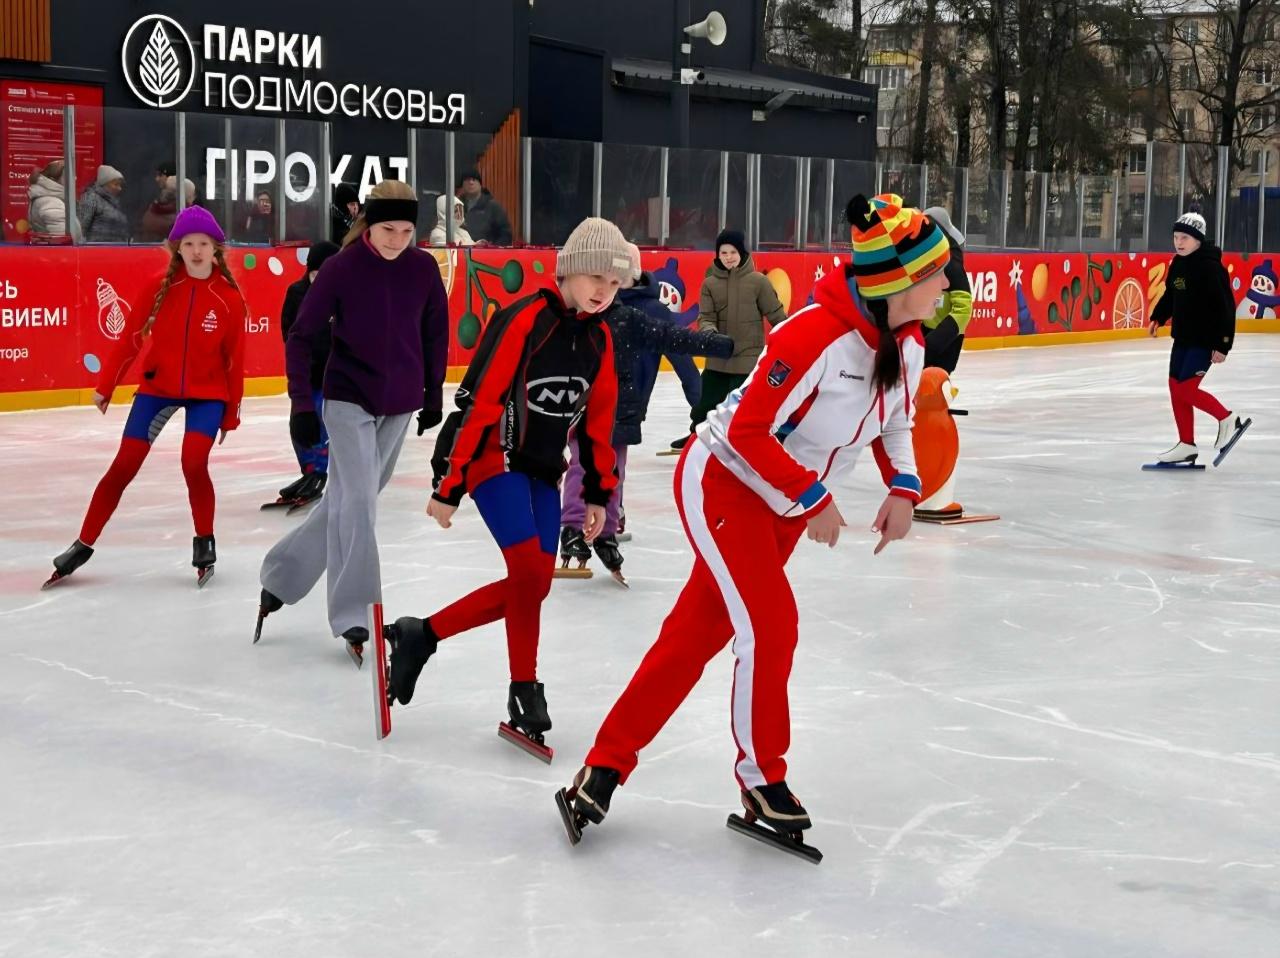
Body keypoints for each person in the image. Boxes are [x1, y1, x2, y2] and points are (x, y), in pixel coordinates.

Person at [556, 193, 949, 850]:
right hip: (725, 481)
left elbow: (896, 419)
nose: (946, 283)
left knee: (693, 637)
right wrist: (813, 499)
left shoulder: (905, 345)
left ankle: (602, 766)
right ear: (899, 283)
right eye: (936, 273)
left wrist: (903, 486)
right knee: (771, 627)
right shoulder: (814, 336)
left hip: (784, 505)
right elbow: (749, 430)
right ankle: (762, 777)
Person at [382, 217, 629, 756]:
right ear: (567, 272)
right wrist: (449, 483)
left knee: (534, 583)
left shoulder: (600, 339)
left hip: (542, 468)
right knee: (528, 571)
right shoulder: (525, 320)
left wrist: (596, 494)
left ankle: (422, 635)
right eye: (595, 278)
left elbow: (597, 424)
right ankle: (521, 686)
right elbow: (482, 399)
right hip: (492, 460)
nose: (602, 293)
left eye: (613, 285)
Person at [255, 180, 449, 662]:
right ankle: (357, 615)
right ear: (368, 223)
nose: (397, 239)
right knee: (359, 503)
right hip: (347, 399)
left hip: (399, 402)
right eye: (388, 228)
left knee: (348, 500)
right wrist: (301, 404)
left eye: (407, 230)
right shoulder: (342, 270)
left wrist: (432, 393)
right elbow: (300, 337)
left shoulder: (424, 268)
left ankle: (281, 575)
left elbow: (435, 333)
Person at [44, 207, 246, 588]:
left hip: (208, 395)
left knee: (193, 462)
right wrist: (107, 384)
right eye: (189, 244)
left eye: (204, 244)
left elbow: (235, 360)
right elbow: (130, 338)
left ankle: (204, 541)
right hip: (157, 389)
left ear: (216, 249)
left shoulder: (229, 299)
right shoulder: (160, 285)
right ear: (177, 248)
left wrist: (230, 414)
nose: (197, 251)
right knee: (124, 465)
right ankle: (83, 543)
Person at [559, 243, 734, 583]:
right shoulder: (582, 317)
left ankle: (606, 531)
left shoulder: (636, 317)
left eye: (617, 279)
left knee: (614, 471)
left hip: (623, 410)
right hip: (584, 410)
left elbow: (676, 340)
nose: (609, 287)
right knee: (582, 465)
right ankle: (572, 528)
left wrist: (719, 346)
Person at [1148, 211, 1250, 465]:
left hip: (1205, 340)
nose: (1179, 242)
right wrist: (1158, 317)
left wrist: (1222, 344)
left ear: (1198, 240)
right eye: (1176, 237)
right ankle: (1186, 444)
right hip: (1182, 337)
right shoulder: (1178, 263)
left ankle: (1227, 419)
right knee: (1175, 387)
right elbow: (1171, 295)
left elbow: (1226, 307)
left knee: (1186, 389)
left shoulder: (1211, 268)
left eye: (1185, 237)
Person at [669, 229, 785, 450]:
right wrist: (710, 334)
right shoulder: (710, 284)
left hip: (748, 356)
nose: (728, 256)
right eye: (724, 252)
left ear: (742, 253)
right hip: (719, 356)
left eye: (733, 252)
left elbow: (775, 313)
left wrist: (789, 333)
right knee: (707, 401)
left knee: (747, 404)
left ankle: (759, 438)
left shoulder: (758, 282)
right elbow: (706, 316)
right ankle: (697, 435)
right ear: (717, 254)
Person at [268, 240, 342, 507]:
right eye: (316, 274)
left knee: (324, 426)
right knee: (299, 426)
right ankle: (309, 471)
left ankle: (321, 472)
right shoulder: (297, 293)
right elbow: (289, 332)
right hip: (306, 375)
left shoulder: (343, 295)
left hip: (332, 377)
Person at [921, 206, 972, 373]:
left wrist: (935, 341)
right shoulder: (922, 261)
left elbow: (963, 309)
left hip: (944, 346)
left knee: (933, 391)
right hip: (922, 342)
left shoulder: (953, 266)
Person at [26, 161, 82, 243]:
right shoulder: (52, 203)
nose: (75, 178)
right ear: (53, 180)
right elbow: (62, 242)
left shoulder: (48, 199)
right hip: (63, 255)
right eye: (68, 176)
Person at [458, 170, 513, 246]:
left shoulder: (493, 207)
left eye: (474, 179)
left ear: (480, 184)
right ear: (462, 185)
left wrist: (492, 249)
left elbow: (505, 235)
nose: (471, 182)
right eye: (467, 180)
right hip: (459, 252)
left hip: (486, 254)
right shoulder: (456, 206)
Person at [77, 165, 130, 244]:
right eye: (116, 184)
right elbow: (81, 228)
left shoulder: (115, 202)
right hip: (97, 251)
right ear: (104, 184)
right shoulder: (91, 198)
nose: (119, 188)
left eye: (120, 185)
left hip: (116, 250)